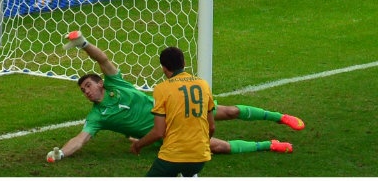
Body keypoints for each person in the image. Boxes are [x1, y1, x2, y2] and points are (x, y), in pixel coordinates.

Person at [45, 32, 299, 163]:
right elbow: (80, 140)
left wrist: (82, 43)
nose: (86, 91)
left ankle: (280, 117)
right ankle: (269, 144)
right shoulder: (97, 117)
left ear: (100, 83)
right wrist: (61, 154)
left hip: (177, 109)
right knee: (217, 147)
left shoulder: (115, 82)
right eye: (83, 90)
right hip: (170, 135)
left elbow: (102, 59)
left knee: (229, 111)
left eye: (88, 85)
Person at [131, 46, 214, 177]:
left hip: (172, 158)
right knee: (188, 171)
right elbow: (212, 127)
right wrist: (200, 146)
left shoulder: (161, 89)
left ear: (163, 67)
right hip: (200, 158)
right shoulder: (203, 84)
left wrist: (138, 145)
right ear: (184, 63)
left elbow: (158, 132)